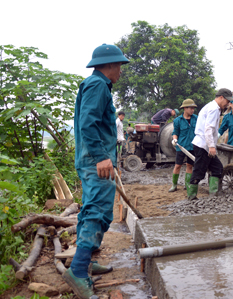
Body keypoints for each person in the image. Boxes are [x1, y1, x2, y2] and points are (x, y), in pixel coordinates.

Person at [65, 44, 129, 299]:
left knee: (93, 207)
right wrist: (103, 158)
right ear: (111, 65)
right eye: (120, 67)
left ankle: (87, 261)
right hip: (96, 161)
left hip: (92, 159)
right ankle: (78, 271)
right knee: (98, 210)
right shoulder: (98, 85)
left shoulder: (96, 85)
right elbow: (87, 123)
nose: (121, 72)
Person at [188, 88, 233, 200]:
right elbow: (208, 129)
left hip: (204, 144)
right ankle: (191, 196)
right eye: (227, 101)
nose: (228, 104)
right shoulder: (213, 109)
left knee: (217, 167)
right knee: (199, 170)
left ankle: (214, 194)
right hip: (204, 145)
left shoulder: (213, 108)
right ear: (221, 97)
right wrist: (211, 146)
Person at [169, 99, 198, 192]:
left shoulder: (196, 118)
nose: (192, 110)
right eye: (190, 108)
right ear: (185, 108)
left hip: (192, 146)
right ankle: (174, 185)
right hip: (181, 146)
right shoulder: (178, 120)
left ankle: (187, 184)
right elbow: (175, 132)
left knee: (190, 165)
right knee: (178, 165)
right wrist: (174, 139)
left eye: (193, 108)